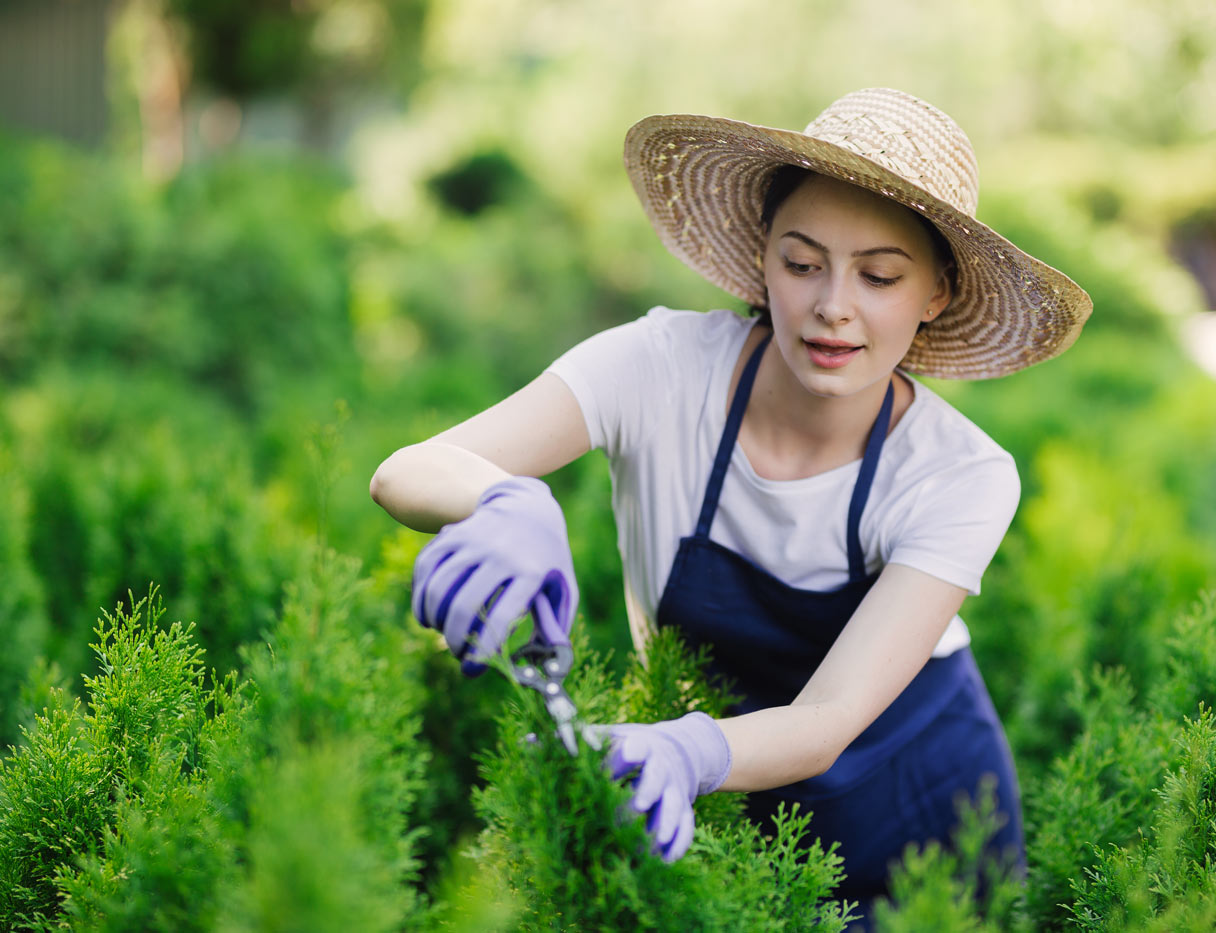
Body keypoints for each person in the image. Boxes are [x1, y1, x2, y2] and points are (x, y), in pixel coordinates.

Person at [370, 87, 1092, 922]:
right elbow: (408, 470)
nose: (833, 305)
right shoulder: (660, 369)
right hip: (721, 802)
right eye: (801, 261)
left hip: (918, 812)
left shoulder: (959, 472)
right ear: (763, 259)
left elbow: (826, 720)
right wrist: (498, 499)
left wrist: (686, 746)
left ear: (935, 294)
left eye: (881, 275)